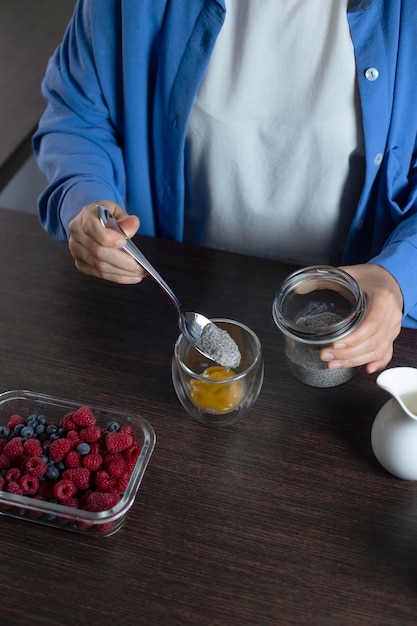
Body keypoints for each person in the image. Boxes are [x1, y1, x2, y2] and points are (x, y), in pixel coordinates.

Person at [33, 0, 416, 377]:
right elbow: (79, 115)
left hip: (351, 344)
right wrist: (86, 199)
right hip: (165, 308)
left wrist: (398, 277)